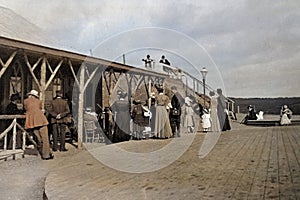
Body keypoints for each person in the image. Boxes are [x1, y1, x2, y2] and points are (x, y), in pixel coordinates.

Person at [24, 90, 53, 160]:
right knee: (45, 138)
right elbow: (40, 109)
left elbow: (25, 109)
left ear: (30, 95)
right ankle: (46, 155)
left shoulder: (25, 101)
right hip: (41, 121)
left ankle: (46, 152)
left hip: (32, 121)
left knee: (39, 139)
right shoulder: (39, 101)